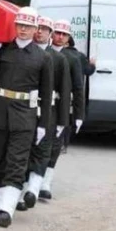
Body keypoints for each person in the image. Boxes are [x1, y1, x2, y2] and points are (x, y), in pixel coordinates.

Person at [0, 7, 53, 229]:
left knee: (17, 161)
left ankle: (6, 210)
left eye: (28, 26)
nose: (23, 30)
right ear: (14, 25)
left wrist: (43, 124)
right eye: (20, 25)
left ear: (35, 29)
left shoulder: (43, 57)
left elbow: (46, 94)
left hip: (24, 115)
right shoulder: (1, 50)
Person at [17, 16, 72, 212]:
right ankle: (21, 191)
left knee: (43, 149)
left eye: (44, 29)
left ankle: (33, 188)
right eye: (37, 28)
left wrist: (62, 122)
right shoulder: (22, 53)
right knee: (25, 149)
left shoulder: (58, 59)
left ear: (50, 34)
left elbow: (65, 92)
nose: (39, 32)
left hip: (50, 110)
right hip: (26, 108)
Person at [38, 20, 85, 201]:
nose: (59, 37)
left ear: (68, 38)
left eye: (64, 34)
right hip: (41, 102)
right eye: (57, 32)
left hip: (59, 104)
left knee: (55, 145)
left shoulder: (72, 58)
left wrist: (79, 114)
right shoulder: (41, 51)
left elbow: (78, 88)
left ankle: (46, 182)